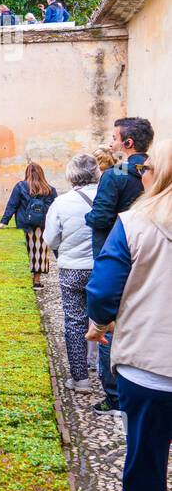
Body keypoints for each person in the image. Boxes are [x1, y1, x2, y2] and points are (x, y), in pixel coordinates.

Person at [85, 140, 172, 491]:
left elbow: (102, 291)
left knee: (147, 452)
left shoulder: (136, 223)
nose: (142, 173)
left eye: (147, 167)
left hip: (152, 364)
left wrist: (101, 325)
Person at [86, 116, 155, 415]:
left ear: (127, 143)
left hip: (118, 251)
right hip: (151, 251)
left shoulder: (115, 175)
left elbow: (100, 218)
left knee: (109, 325)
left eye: (115, 137)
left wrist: (87, 217)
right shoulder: (156, 171)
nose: (112, 142)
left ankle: (114, 395)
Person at [44, 154, 100, 392]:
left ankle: (80, 379)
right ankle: (108, 379)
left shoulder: (62, 202)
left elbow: (50, 238)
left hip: (72, 270)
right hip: (103, 269)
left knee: (75, 321)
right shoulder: (108, 197)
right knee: (106, 320)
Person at [0, 162, 58, 287]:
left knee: (26, 251)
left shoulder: (20, 186)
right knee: (40, 252)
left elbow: (12, 205)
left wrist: (3, 222)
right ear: (41, 173)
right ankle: (37, 281)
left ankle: (24, 279)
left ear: (27, 173)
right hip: (42, 227)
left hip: (25, 225)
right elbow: (55, 209)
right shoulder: (50, 189)